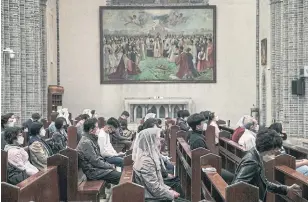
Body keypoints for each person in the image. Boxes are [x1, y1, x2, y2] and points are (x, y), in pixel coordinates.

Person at [232, 129, 301, 201]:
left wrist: (286, 189)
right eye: (275, 147)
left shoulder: (256, 154)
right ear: (268, 146)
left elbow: (265, 183)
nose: (277, 150)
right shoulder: (252, 162)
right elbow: (237, 187)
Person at [132, 127, 180, 201]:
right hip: (152, 198)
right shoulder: (146, 161)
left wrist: (168, 189)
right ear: (150, 141)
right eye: (157, 138)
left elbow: (157, 184)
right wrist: (170, 194)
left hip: (155, 195)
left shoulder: (149, 156)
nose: (159, 140)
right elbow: (154, 189)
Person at [187, 113, 234, 184]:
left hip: (206, 166)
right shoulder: (198, 140)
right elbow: (203, 159)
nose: (205, 125)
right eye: (202, 123)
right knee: (232, 177)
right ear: (197, 126)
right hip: (205, 170)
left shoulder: (195, 135)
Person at [76, 118, 121, 185]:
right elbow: (95, 161)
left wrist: (108, 165)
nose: (98, 129)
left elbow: (98, 158)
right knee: (120, 177)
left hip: (97, 168)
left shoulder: (90, 139)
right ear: (91, 130)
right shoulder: (86, 142)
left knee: (119, 175)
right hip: (93, 172)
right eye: (96, 127)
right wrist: (110, 166)